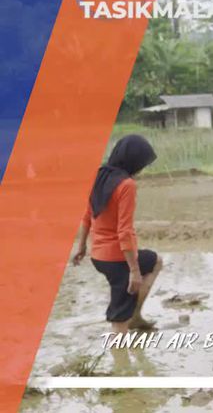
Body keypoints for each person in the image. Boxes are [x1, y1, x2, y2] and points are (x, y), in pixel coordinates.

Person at [72, 134, 162, 334]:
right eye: (141, 164)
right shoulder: (126, 185)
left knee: (155, 261)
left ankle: (135, 316)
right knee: (119, 325)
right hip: (118, 259)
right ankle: (120, 363)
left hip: (98, 257)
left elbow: (87, 215)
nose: (140, 170)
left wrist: (82, 248)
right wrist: (134, 271)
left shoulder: (98, 175)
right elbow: (124, 231)